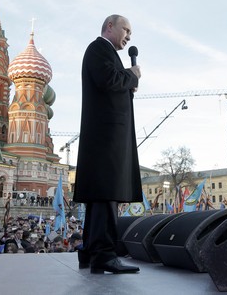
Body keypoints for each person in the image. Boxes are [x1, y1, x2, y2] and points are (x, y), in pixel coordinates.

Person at [73, 14, 142, 275]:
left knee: (100, 197)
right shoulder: (98, 48)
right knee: (105, 193)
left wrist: (127, 79)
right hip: (106, 137)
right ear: (110, 27)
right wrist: (131, 75)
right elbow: (108, 79)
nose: (128, 37)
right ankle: (104, 254)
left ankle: (91, 252)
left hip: (106, 137)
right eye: (126, 30)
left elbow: (113, 81)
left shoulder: (104, 52)